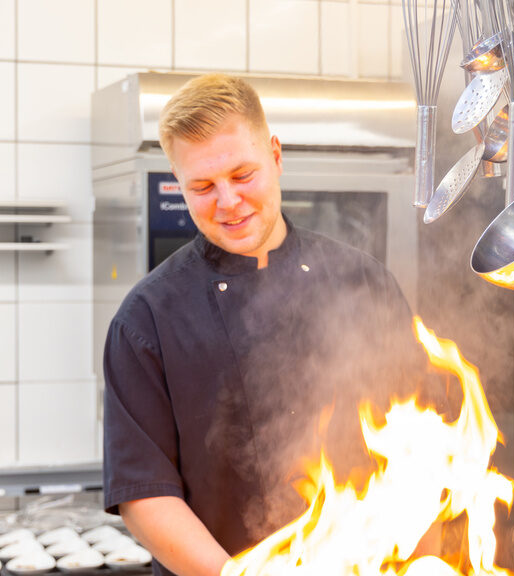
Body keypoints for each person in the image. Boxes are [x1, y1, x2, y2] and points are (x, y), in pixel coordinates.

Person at [102, 73, 434, 576]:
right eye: (203, 187)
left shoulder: (363, 282)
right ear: (179, 185)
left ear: (275, 156)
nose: (228, 202)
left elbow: (422, 441)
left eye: (242, 175)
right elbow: (145, 496)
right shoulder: (146, 321)